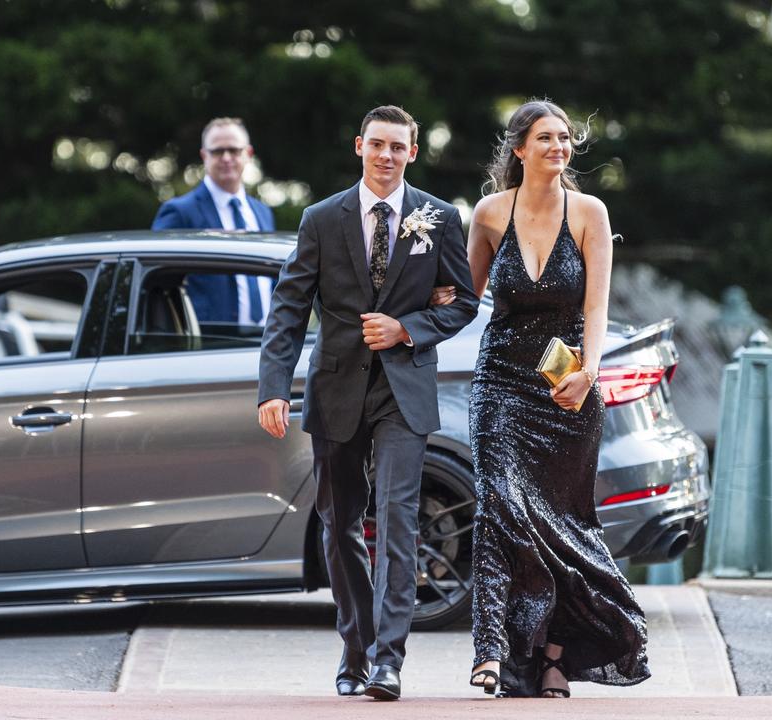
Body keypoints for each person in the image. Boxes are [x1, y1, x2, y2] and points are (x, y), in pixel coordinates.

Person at [257, 106, 478, 700]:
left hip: (404, 389)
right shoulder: (320, 219)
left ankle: (389, 661)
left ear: (412, 153)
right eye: (377, 145)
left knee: (400, 518)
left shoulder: (439, 216)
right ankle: (354, 647)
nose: (387, 156)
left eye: (398, 148)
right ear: (360, 146)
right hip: (335, 388)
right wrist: (274, 386)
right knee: (340, 523)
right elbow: (288, 306)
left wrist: (407, 328)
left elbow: (463, 304)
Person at [453, 99, 650, 698]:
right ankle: (492, 650)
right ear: (519, 148)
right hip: (502, 382)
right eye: (546, 138)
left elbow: (595, 307)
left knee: (560, 525)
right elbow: (465, 298)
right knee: (499, 506)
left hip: (567, 389)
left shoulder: (590, 211)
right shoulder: (489, 214)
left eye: (565, 139)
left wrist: (589, 372)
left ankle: (553, 661)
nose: (559, 148)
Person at [152, 117, 275, 325]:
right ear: (204, 156)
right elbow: (154, 282)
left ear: (248, 154)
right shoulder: (180, 212)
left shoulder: (262, 212)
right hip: (209, 346)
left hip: (264, 345)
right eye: (217, 151)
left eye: (234, 150)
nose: (226, 158)